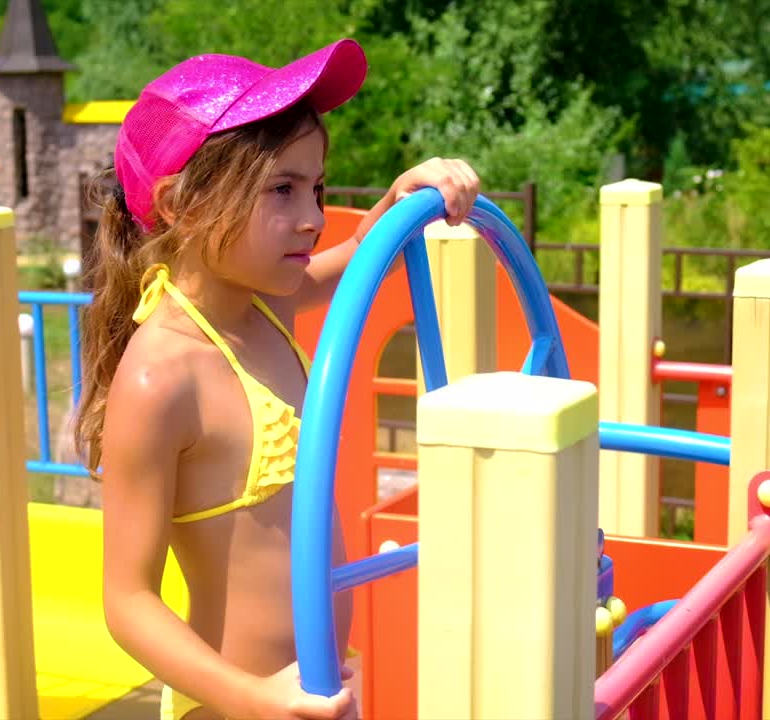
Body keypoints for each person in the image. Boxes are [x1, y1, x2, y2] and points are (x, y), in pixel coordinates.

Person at [75, 38, 480, 720]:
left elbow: (356, 256)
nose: (313, 218)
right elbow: (128, 602)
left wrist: (402, 195)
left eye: (316, 188)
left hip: (314, 692)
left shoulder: (263, 300)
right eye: (282, 190)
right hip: (237, 707)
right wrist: (257, 697)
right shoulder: (163, 377)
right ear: (181, 203)